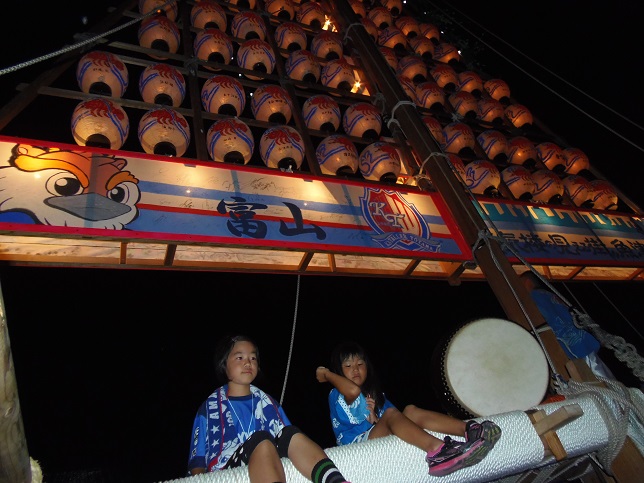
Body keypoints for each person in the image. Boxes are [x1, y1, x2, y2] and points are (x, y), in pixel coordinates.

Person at [316, 341, 502, 477]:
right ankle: (438, 451)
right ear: (339, 371)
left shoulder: (377, 396)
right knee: (391, 414)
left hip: (377, 436)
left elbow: (399, 421)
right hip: (355, 448)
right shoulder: (337, 394)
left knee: (410, 410)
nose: (355, 369)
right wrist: (327, 374)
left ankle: (470, 429)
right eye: (348, 365)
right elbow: (353, 391)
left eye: (360, 364)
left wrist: (376, 419)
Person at [187, 334, 351, 483]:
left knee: (290, 433)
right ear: (224, 364)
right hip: (228, 469)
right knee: (261, 439)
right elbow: (197, 460)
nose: (248, 363)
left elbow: (286, 439)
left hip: (269, 459)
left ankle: (336, 481)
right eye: (239, 357)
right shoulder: (209, 407)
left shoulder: (268, 402)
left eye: (253, 358)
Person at [520, 270, 615, 379]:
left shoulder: (534, 297)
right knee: (600, 370)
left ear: (528, 282)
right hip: (581, 339)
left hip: (571, 346)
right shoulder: (550, 295)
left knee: (594, 377)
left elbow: (542, 321)